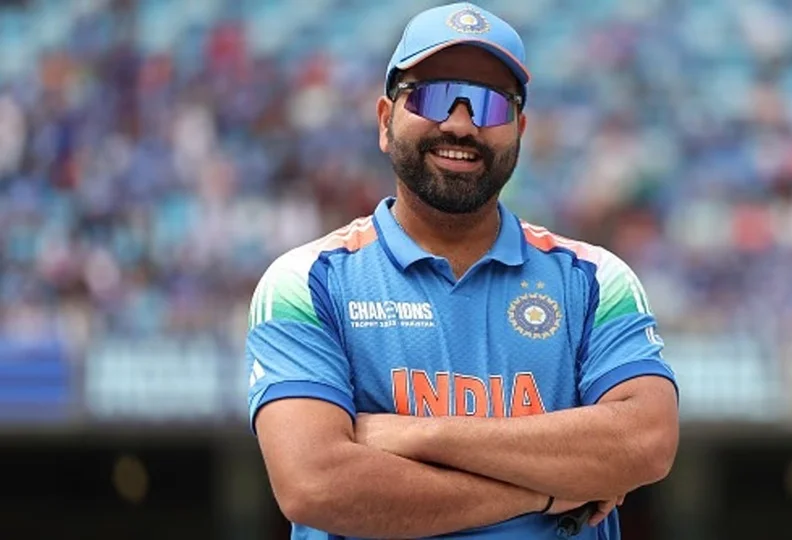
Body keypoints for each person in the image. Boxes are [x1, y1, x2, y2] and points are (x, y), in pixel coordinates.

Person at [246, 2, 679, 538]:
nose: (460, 123)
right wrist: (546, 493)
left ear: (519, 130)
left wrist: (420, 435)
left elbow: (647, 443)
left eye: (490, 104)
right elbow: (315, 484)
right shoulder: (306, 282)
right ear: (385, 122)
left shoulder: (594, 280)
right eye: (431, 96)